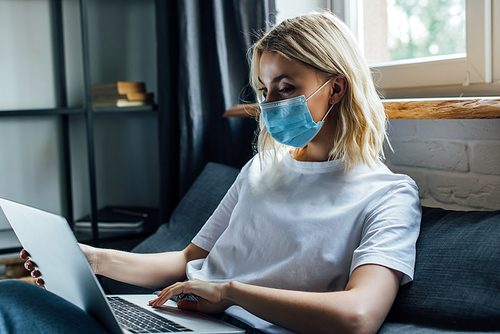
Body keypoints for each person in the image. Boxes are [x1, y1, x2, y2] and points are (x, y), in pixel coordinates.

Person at [1, 11, 420, 334]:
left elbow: (359, 316)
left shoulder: (388, 195)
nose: (269, 103)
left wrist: (228, 294)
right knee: (12, 295)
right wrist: (90, 260)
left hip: (237, 327)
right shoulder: (260, 169)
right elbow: (186, 262)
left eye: (286, 87)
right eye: (264, 88)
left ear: (336, 87)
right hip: (173, 316)